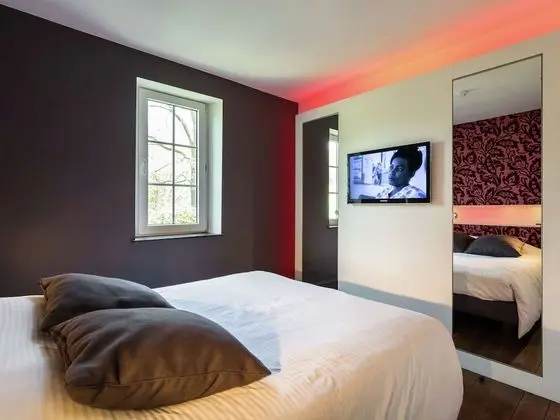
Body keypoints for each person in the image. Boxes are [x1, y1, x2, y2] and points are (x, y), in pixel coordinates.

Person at [359, 147, 426, 199]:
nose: (392, 172)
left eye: (400, 169)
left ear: (412, 173)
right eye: (391, 167)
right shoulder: (386, 191)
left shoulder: (416, 194)